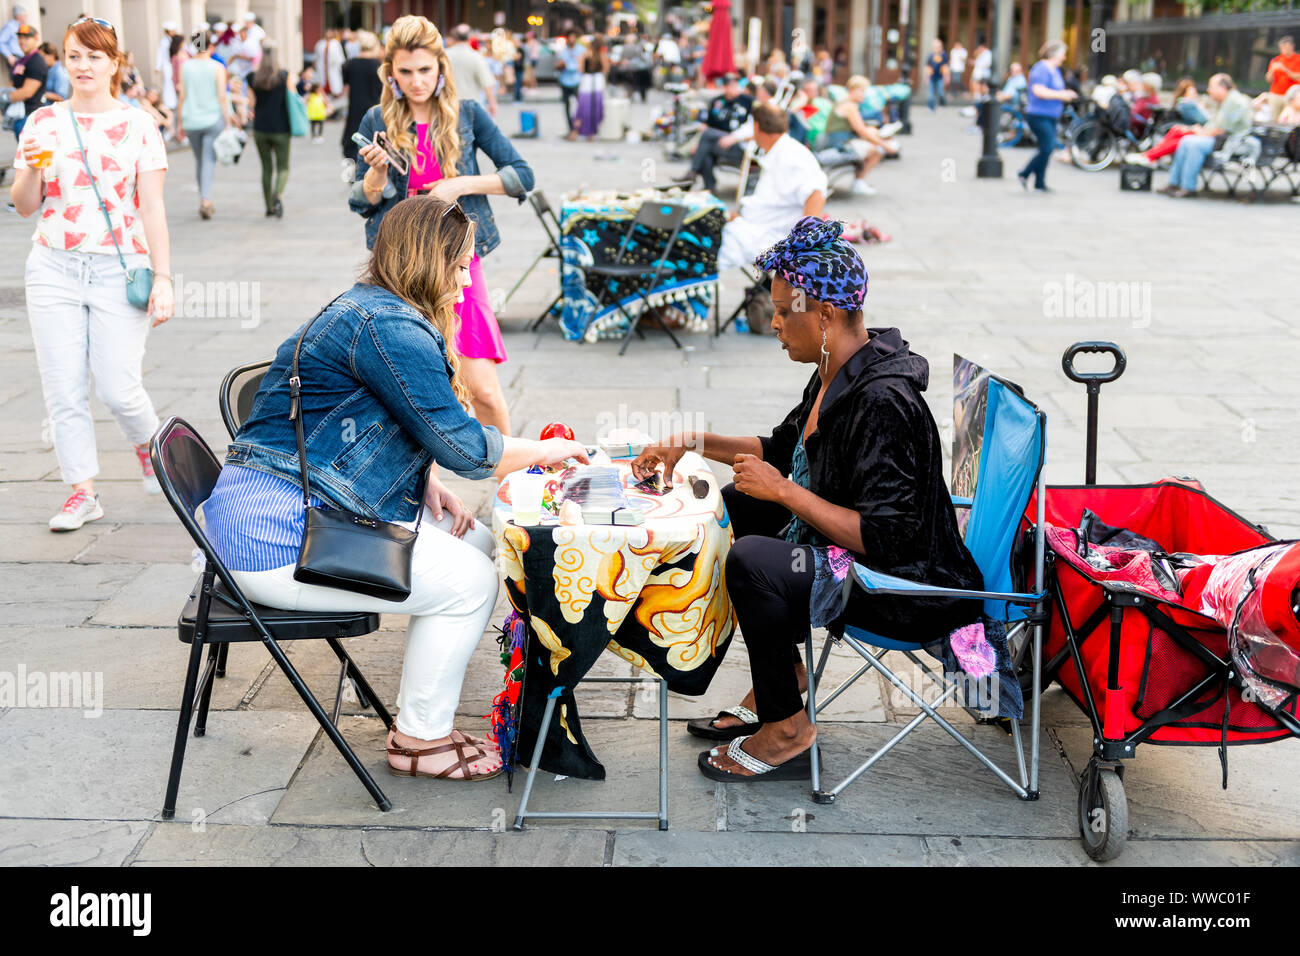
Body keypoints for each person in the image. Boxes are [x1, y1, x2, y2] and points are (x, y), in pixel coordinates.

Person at [202, 196, 590, 781]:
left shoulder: (373, 310)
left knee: (483, 543)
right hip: (278, 539)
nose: (466, 280)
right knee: (469, 583)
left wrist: (423, 477)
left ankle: (430, 708)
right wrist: (547, 451)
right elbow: (464, 447)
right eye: (460, 265)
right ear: (428, 261)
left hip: (287, 504)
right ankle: (419, 740)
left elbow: (377, 417)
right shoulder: (390, 328)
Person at [632, 218, 982, 778]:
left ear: (824, 315)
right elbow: (783, 448)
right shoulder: (835, 370)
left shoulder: (884, 401)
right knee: (736, 507)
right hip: (859, 557)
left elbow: (886, 536)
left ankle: (788, 731)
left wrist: (788, 493)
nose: (772, 324)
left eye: (782, 310)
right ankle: (786, 680)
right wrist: (691, 442)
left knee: (753, 557)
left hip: (903, 585)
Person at [10, 15, 173, 532]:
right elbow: (23, 205)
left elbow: (152, 209)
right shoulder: (42, 122)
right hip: (53, 266)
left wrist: (164, 278)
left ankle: (149, 447)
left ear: (114, 63)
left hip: (118, 270)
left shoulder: (140, 124)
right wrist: (34, 169)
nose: (83, 66)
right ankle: (82, 491)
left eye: (94, 56)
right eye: (75, 55)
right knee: (62, 388)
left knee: (119, 386)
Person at [350, 15, 533, 436]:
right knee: (411, 394)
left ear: (441, 68)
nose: (417, 82)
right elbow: (362, 201)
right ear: (391, 73)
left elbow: (522, 175)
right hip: (400, 269)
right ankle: (423, 489)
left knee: (483, 390)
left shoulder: (466, 115)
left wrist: (458, 184)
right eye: (406, 72)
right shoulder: (376, 121)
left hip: (459, 266)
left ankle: (508, 480)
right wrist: (376, 176)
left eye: (425, 70)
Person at [717, 103, 826, 272]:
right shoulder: (781, 150)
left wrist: (803, 246)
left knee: (704, 242)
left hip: (768, 238)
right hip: (756, 229)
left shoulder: (793, 155)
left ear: (757, 127)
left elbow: (816, 193)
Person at [1159, 73, 1252, 199]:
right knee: (1186, 140)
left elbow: (1220, 130)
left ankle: (1188, 187)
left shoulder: (1234, 101)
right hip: (1220, 139)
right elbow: (1214, 125)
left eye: (1211, 87)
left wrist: (1200, 132)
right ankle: (1174, 183)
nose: (1209, 90)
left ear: (1222, 88)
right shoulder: (1225, 100)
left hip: (1232, 142)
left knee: (1193, 144)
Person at [177, 27, 232, 219]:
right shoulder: (217, 67)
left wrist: (179, 121)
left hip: (191, 119)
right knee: (208, 159)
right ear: (210, 45)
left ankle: (204, 197)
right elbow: (222, 96)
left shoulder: (186, 66)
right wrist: (228, 120)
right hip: (212, 119)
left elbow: (182, 96)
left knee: (200, 160)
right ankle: (205, 199)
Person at [816, 74, 899, 196]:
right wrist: (885, 146)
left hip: (838, 141)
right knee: (878, 149)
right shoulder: (849, 106)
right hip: (840, 144)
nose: (863, 95)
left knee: (873, 134)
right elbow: (861, 131)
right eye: (861, 91)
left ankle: (858, 181)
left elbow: (862, 130)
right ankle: (858, 181)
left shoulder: (846, 103)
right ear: (852, 89)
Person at [1016, 41, 1076, 192]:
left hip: (1050, 115)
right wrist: (1062, 95)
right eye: (1063, 53)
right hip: (1038, 114)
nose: (1064, 57)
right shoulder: (1041, 69)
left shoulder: (1054, 70)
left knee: (1045, 148)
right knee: (1048, 147)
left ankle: (1039, 182)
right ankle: (1025, 173)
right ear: (1055, 53)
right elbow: (1038, 90)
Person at [681, 71, 751, 190]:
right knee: (704, 150)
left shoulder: (747, 101)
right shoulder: (717, 102)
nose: (735, 88)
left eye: (736, 85)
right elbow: (705, 125)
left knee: (704, 144)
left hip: (737, 143)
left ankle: (692, 173)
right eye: (731, 85)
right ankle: (710, 186)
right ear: (724, 87)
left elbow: (751, 127)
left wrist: (734, 138)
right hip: (717, 142)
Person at [247, 43, 292, 217]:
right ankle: (277, 194)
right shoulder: (283, 75)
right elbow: (292, 97)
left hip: (260, 128)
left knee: (266, 168)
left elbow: (251, 103)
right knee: (283, 167)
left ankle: (268, 207)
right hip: (281, 127)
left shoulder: (252, 77)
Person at [341, 29, 383, 164]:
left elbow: (346, 87)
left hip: (355, 108)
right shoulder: (379, 66)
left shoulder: (350, 64)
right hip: (374, 109)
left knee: (352, 141)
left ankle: (353, 172)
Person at [445, 23, 497, 118]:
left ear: (454, 37)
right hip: (471, 107)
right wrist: (492, 103)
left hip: (448, 106)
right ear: (470, 37)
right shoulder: (476, 57)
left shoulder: (445, 55)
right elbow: (487, 84)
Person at [4, 23, 45, 137]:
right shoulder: (23, 59)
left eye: (27, 38)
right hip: (20, 115)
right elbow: (14, 82)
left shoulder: (36, 61)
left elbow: (27, 92)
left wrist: (5, 97)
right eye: (20, 37)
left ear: (36, 38)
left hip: (31, 117)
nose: (22, 41)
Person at [574, 33, 607, 140]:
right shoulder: (602, 55)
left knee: (582, 107)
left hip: (587, 81)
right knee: (596, 107)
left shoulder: (584, 54)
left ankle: (577, 130)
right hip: (598, 81)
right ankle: (593, 132)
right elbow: (606, 69)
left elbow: (580, 68)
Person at [1264, 36, 1300, 122]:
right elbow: (1268, 79)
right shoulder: (1276, 60)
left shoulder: (1298, 59)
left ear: (1292, 47)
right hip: (1276, 94)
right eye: (1282, 47)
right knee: (1273, 120)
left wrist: (1285, 70)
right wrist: (1272, 70)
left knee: (1288, 120)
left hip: (1291, 97)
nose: (1284, 49)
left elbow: (1298, 76)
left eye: (1286, 47)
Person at [557, 29, 583, 136]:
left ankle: (579, 128)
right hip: (565, 80)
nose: (571, 39)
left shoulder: (581, 50)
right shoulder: (563, 51)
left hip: (577, 81)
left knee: (580, 106)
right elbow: (557, 65)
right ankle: (571, 128)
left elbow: (581, 67)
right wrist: (561, 65)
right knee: (567, 106)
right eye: (570, 37)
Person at [1, 4, 27, 69]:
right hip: (16, 58)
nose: (26, 17)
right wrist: (9, 56)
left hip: (22, 58)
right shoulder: (10, 26)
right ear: (19, 16)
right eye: (25, 15)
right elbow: (0, 41)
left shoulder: (20, 26)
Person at [926, 38, 948, 110]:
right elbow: (928, 66)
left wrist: (946, 76)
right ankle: (931, 107)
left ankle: (942, 104)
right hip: (932, 77)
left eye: (938, 47)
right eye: (935, 47)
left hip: (940, 77)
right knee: (930, 93)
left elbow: (945, 66)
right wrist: (927, 77)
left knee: (940, 92)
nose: (936, 48)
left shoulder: (943, 55)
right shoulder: (931, 55)